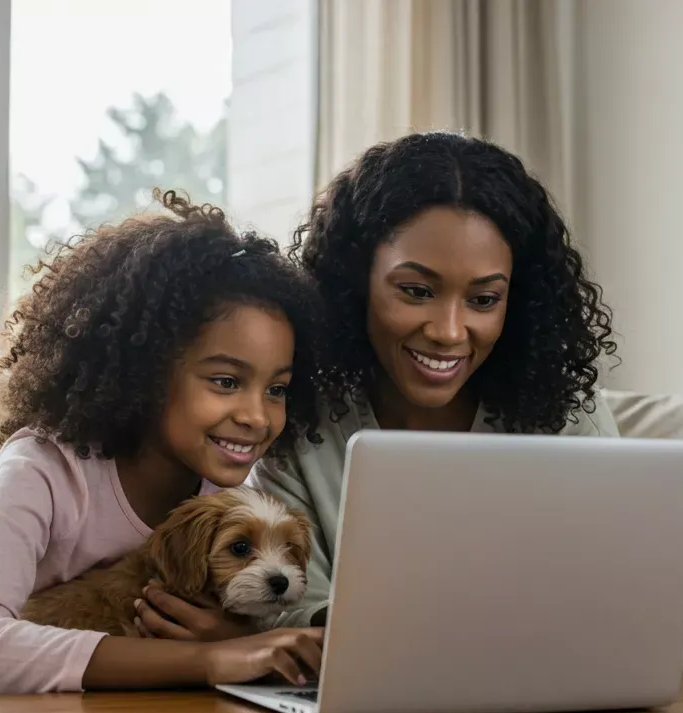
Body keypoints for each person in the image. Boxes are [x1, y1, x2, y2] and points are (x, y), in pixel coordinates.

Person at [0, 191, 325, 697]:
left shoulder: (226, 502)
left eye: (277, 389)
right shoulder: (44, 468)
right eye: (224, 381)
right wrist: (202, 658)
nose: (257, 416)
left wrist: (231, 636)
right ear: (145, 374)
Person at [250, 132, 620, 628]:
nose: (448, 332)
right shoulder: (302, 421)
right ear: (356, 281)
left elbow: (606, 597)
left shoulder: (568, 413)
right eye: (417, 290)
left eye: (484, 300)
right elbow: (289, 615)